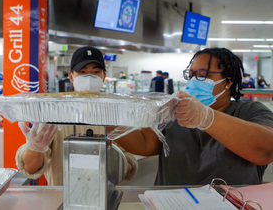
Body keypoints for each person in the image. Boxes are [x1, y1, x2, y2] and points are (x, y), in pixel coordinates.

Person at [116, 47, 273, 185]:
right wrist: (106, 117)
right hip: (171, 202)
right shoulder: (175, 113)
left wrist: (206, 118)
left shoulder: (250, 111)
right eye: (191, 75)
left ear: (228, 81)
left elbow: (266, 151)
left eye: (203, 75)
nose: (194, 81)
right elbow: (145, 143)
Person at [15, 46, 138, 186]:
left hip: (103, 197)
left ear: (104, 76)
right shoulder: (53, 114)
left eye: (96, 72)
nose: (89, 77)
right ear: (71, 76)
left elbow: (129, 166)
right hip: (60, 198)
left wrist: (108, 162)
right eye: (82, 72)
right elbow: (31, 168)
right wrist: (35, 147)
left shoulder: (116, 114)